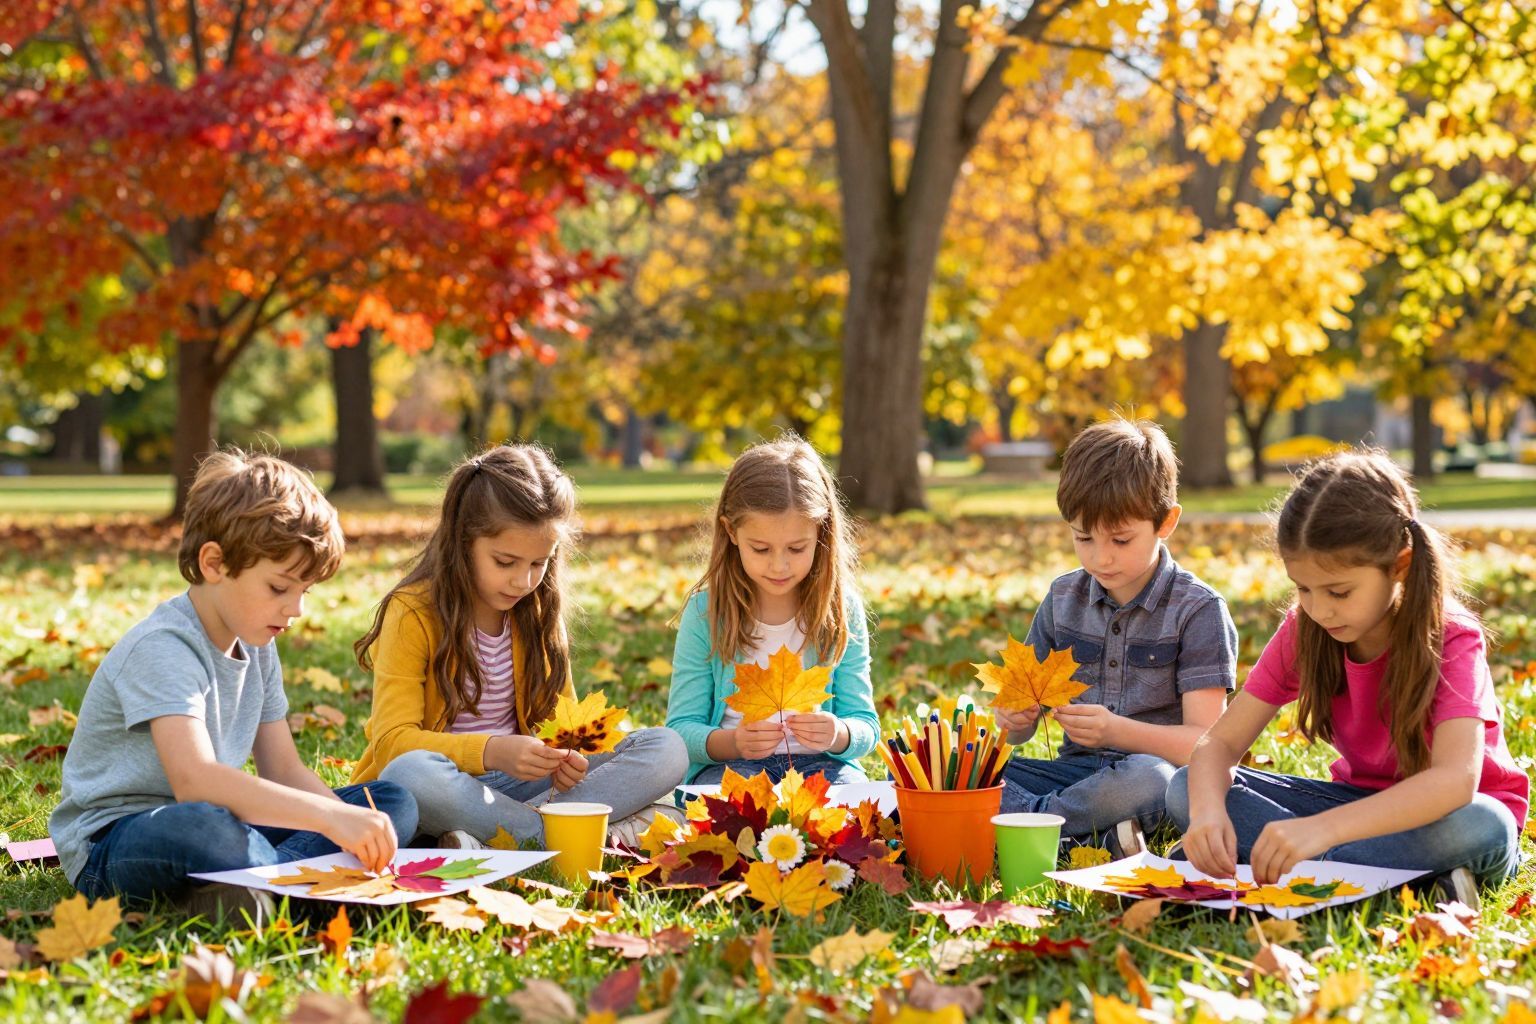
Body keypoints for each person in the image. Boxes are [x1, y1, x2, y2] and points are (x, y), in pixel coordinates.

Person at [50, 451, 416, 920]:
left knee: (387, 803)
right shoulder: (163, 646)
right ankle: (297, 892)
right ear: (214, 563)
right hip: (120, 843)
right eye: (279, 588)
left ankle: (252, 889)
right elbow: (195, 782)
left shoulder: (258, 642)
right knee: (207, 826)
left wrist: (350, 822)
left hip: (234, 826)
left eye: (305, 591)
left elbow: (283, 770)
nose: (296, 609)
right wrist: (328, 820)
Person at [1170, 448, 1525, 909]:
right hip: (1353, 808)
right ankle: (1388, 879)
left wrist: (1321, 832)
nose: (1319, 609)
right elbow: (1216, 746)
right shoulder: (1306, 628)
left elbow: (1455, 782)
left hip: (1446, 817)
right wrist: (1208, 815)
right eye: (1303, 589)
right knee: (1185, 789)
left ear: (1400, 565)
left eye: (1339, 591)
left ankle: (1321, 870)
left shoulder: (1453, 638)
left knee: (1485, 824)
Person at [353, 444, 687, 850]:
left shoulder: (537, 612)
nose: (523, 581)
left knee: (666, 748)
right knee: (410, 772)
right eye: (505, 561)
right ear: (462, 543)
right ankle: (562, 836)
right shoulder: (414, 612)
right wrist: (492, 751)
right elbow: (393, 743)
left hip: (523, 788)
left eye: (538, 563)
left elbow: (566, 728)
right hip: (446, 784)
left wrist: (569, 759)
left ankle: (499, 837)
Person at [997, 418, 1235, 857]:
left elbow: (1205, 746)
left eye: (1121, 539)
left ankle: (1026, 830)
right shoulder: (1063, 597)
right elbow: (1013, 731)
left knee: (1154, 781)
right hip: (1075, 782)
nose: (1100, 557)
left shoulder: (1198, 610)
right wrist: (1014, 720)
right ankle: (1088, 840)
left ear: (1166, 522)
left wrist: (1117, 731)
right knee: (975, 771)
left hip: (1147, 779)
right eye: (1083, 538)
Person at [667, 436, 879, 786]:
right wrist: (732, 742)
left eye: (797, 548)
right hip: (734, 767)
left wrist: (838, 733)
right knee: (725, 821)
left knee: (851, 819)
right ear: (731, 532)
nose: (779, 565)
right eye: (761, 549)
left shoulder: (840, 609)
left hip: (822, 768)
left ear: (821, 532)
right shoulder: (706, 612)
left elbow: (866, 724)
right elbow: (680, 728)